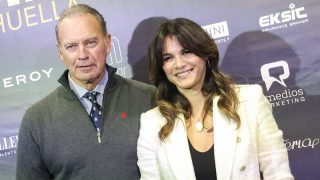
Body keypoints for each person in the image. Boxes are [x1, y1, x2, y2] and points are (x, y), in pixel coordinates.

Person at [137, 18, 294, 180]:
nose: (179, 64)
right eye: (168, 58)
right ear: (162, 67)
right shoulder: (152, 123)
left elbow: (279, 174)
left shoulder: (249, 100)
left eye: (186, 52)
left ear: (205, 54)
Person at [16, 4, 155, 179]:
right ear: (60, 52)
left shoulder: (149, 98)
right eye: (71, 46)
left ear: (108, 43)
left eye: (90, 42)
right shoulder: (36, 120)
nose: (82, 55)